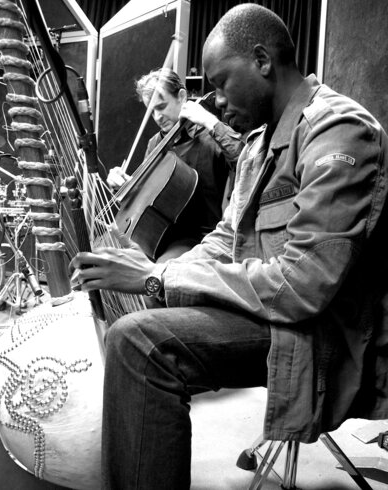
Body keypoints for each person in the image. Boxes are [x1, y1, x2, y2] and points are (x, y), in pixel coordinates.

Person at [70, 4, 388, 489]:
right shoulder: (258, 144)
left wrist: (159, 277)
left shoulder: (339, 129)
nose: (215, 101)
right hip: (274, 316)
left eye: (221, 83)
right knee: (134, 324)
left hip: (319, 333)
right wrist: (157, 276)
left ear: (262, 60)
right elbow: (226, 238)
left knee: (141, 342)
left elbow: (303, 285)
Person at [107, 68, 244, 261]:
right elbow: (149, 201)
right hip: (160, 234)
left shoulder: (210, 136)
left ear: (181, 96)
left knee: (154, 271)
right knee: (109, 259)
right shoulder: (155, 144)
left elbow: (246, 159)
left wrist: (210, 122)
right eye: (151, 111)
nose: (157, 117)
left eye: (161, 106)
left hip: (199, 238)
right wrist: (128, 186)